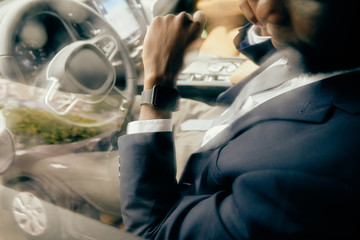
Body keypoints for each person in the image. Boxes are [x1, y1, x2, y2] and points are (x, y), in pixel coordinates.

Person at [118, 0, 360, 239]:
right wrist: (263, 25)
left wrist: (158, 82)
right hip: (224, 125)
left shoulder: (310, 175)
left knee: (82, 167)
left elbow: (153, 231)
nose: (264, 8)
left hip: (186, 189)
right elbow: (287, 52)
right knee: (124, 115)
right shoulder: (334, 48)